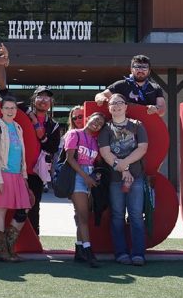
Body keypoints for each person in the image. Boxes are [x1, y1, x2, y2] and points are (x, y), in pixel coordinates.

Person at [98, 93, 150, 265]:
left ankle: (138, 254)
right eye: (113, 103)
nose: (116, 106)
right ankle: (120, 253)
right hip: (115, 179)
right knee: (117, 215)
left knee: (136, 215)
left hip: (136, 177)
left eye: (120, 103)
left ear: (126, 107)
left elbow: (142, 148)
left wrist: (125, 165)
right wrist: (123, 170)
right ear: (109, 108)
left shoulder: (137, 125)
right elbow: (105, 153)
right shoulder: (106, 128)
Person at [0, 96, 31, 262]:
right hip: (1, 174)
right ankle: (2, 252)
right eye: (7, 108)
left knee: (24, 209)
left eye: (13, 108)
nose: (10, 111)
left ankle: (9, 247)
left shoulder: (17, 127)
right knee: (1, 210)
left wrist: (24, 176)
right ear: (1, 110)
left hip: (16, 175)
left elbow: (22, 154)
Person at [62, 109, 105, 267]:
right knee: (83, 216)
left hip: (89, 179)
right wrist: (85, 176)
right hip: (77, 177)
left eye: (100, 124)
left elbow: (95, 163)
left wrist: (94, 176)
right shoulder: (74, 134)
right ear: (88, 118)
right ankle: (88, 252)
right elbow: (70, 159)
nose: (97, 124)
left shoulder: (94, 141)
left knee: (83, 216)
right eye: (95, 120)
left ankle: (79, 250)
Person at [24, 86, 62, 235]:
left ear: (51, 102)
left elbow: (52, 148)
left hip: (36, 172)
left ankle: (33, 239)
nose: (44, 100)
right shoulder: (23, 116)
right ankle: (13, 241)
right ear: (34, 100)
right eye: (40, 96)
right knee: (14, 205)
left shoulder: (53, 125)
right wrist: (33, 119)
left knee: (34, 207)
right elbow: (14, 103)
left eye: (47, 98)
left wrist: (43, 136)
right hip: (16, 169)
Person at [94, 55, 166, 117]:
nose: (140, 70)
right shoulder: (121, 85)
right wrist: (100, 98)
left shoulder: (155, 88)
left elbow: (162, 110)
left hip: (147, 125)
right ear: (131, 69)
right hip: (124, 125)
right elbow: (100, 95)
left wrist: (156, 109)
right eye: (137, 67)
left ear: (149, 71)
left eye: (144, 67)